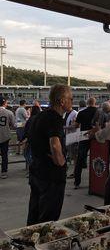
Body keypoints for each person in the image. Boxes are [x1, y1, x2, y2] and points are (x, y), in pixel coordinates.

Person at [27, 84, 73, 225]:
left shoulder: (37, 117)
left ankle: (31, 240)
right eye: (70, 98)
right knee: (48, 217)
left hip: (36, 171)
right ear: (62, 101)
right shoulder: (55, 118)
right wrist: (61, 161)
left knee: (34, 211)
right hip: (51, 176)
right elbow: (54, 143)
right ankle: (43, 245)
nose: (72, 101)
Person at [73, 97, 97, 188]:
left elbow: (76, 125)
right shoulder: (99, 112)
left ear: (87, 103)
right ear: (95, 103)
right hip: (95, 137)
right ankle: (96, 182)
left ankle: (77, 182)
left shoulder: (81, 113)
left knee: (80, 159)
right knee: (97, 158)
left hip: (84, 136)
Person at [21, 105, 41, 176]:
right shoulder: (40, 118)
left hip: (31, 139)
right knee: (35, 155)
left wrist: (23, 139)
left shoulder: (31, 119)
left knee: (27, 154)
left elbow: (27, 130)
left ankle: (32, 169)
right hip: (39, 140)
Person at [0, 97, 15, 179]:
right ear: (4, 102)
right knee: (4, 155)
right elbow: (13, 124)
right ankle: (4, 172)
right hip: (5, 135)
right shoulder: (9, 112)